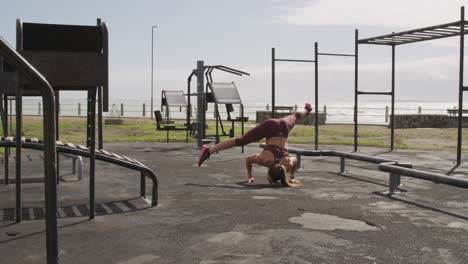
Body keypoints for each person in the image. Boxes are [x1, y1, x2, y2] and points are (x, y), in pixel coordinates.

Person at [197, 103, 312, 187]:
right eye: (269, 179)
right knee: (240, 141)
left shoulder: (287, 164)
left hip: (284, 125)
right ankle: (208, 151)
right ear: (270, 174)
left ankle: (307, 109)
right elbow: (248, 159)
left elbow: (295, 161)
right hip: (270, 127)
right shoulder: (264, 160)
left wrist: (291, 177)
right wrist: (250, 176)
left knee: (296, 115)